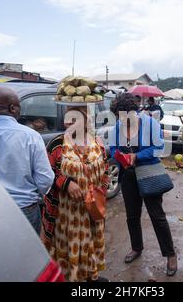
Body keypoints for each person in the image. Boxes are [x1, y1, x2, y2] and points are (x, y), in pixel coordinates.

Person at [0, 87, 54, 234]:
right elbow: (45, 179)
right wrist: (33, 197)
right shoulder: (31, 136)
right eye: (19, 106)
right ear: (12, 108)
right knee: (26, 256)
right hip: (24, 210)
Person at [109, 93, 177, 276]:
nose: (123, 120)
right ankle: (136, 247)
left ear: (135, 112)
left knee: (157, 216)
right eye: (119, 117)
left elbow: (158, 148)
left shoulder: (150, 124)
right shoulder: (117, 127)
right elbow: (113, 148)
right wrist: (119, 155)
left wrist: (137, 156)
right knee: (132, 216)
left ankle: (170, 254)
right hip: (128, 176)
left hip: (149, 173)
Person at [41, 106, 109, 282]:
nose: (67, 123)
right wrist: (65, 183)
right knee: (67, 248)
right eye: (67, 119)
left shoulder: (97, 143)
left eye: (74, 119)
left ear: (86, 121)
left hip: (91, 211)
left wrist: (99, 193)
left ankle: (88, 275)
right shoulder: (57, 144)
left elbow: (106, 173)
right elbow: (46, 173)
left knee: (90, 244)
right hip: (66, 214)